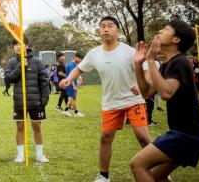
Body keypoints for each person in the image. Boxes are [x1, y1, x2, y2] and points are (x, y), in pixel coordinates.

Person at [60, 16, 150, 182]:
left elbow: (146, 71)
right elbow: (80, 69)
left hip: (133, 100)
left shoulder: (129, 51)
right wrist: (68, 79)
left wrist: (141, 84)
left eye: (110, 26)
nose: (106, 29)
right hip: (111, 103)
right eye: (102, 26)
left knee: (143, 138)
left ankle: (159, 170)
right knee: (105, 138)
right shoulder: (94, 53)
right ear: (99, 31)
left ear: (118, 30)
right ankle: (103, 175)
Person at [130, 20, 199, 181]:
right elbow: (146, 92)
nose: (159, 32)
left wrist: (151, 61)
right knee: (158, 177)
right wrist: (139, 64)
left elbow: (166, 93)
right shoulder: (167, 65)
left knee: (137, 164)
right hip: (185, 133)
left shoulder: (180, 62)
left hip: (189, 134)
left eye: (165, 29)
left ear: (176, 39)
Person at [5, 41, 50, 163]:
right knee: (20, 126)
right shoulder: (11, 62)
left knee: (37, 126)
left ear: (27, 46)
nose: (19, 46)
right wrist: (20, 66)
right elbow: (8, 79)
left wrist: (44, 100)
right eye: (16, 45)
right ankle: (20, 155)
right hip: (20, 102)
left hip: (36, 102)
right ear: (13, 47)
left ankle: (40, 154)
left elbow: (45, 82)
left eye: (21, 43)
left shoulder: (37, 62)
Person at [62, 52, 84, 117]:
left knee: (73, 98)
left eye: (81, 59)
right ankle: (76, 113)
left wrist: (79, 79)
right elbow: (71, 76)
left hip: (72, 83)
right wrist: (74, 85)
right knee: (72, 98)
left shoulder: (74, 64)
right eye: (79, 58)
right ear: (75, 57)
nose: (80, 60)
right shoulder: (71, 65)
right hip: (70, 84)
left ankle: (66, 111)